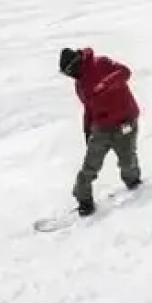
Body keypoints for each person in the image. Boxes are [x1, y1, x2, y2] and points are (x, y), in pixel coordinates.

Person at [58, 46, 142, 215]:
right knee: (89, 166)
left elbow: (125, 72)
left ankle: (134, 185)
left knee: (127, 160)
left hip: (124, 122)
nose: (70, 76)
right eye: (66, 74)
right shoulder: (79, 84)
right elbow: (88, 108)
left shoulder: (101, 63)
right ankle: (84, 200)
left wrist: (105, 84)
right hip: (101, 128)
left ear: (76, 64)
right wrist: (87, 130)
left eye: (69, 71)